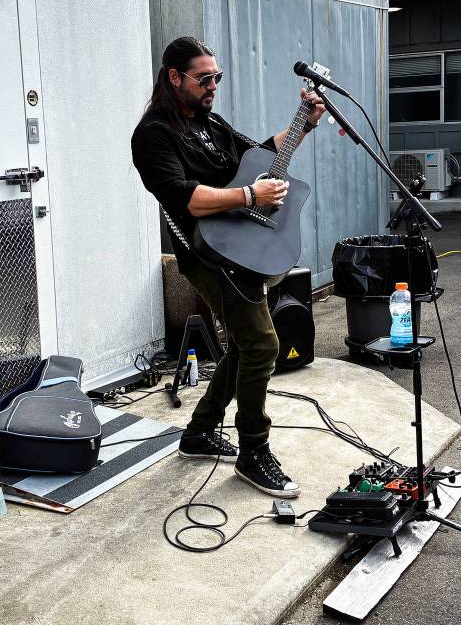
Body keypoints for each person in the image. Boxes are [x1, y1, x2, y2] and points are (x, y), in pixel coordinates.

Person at [131, 37, 325, 499]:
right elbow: (186, 197)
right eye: (204, 78)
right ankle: (253, 452)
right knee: (262, 344)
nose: (213, 85)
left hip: (244, 244)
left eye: (217, 77)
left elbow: (259, 156)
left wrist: (305, 124)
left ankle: (199, 432)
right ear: (174, 77)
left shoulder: (211, 122)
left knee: (244, 341)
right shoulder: (154, 134)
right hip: (208, 254)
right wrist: (248, 197)